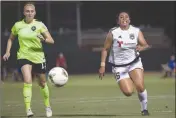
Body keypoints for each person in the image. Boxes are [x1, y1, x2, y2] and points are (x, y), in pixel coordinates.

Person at [3, 2, 54, 117]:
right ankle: (28, 110)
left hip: (38, 56)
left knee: (42, 83)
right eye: (27, 11)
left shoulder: (40, 25)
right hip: (23, 56)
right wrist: (7, 52)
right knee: (27, 80)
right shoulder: (18, 25)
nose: (30, 13)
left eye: (32, 11)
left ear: (34, 13)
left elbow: (51, 40)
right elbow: (11, 39)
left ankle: (48, 106)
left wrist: (43, 40)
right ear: (24, 13)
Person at [99, 11, 151, 116]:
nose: (124, 19)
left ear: (129, 20)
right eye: (121, 17)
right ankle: (129, 79)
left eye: (126, 17)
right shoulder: (113, 32)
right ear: (118, 21)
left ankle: (144, 109)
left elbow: (146, 45)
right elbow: (105, 49)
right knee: (128, 92)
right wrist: (102, 65)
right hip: (119, 67)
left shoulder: (136, 31)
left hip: (134, 63)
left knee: (140, 86)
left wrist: (142, 47)